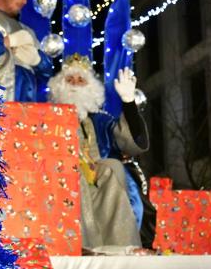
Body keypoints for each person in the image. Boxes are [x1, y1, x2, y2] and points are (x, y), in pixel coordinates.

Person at [48, 53, 149, 250]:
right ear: (59, 86)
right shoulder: (49, 119)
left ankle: (121, 247)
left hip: (99, 181)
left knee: (111, 167)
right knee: (74, 175)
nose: (75, 85)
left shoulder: (100, 121)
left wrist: (128, 103)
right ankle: (84, 247)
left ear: (90, 87)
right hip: (62, 178)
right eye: (70, 80)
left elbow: (130, 144)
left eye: (81, 80)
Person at [0, 0, 53, 101]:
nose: (24, 1)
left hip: (25, 108)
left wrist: (38, 60)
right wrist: (4, 43)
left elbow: (47, 72)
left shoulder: (27, 31)